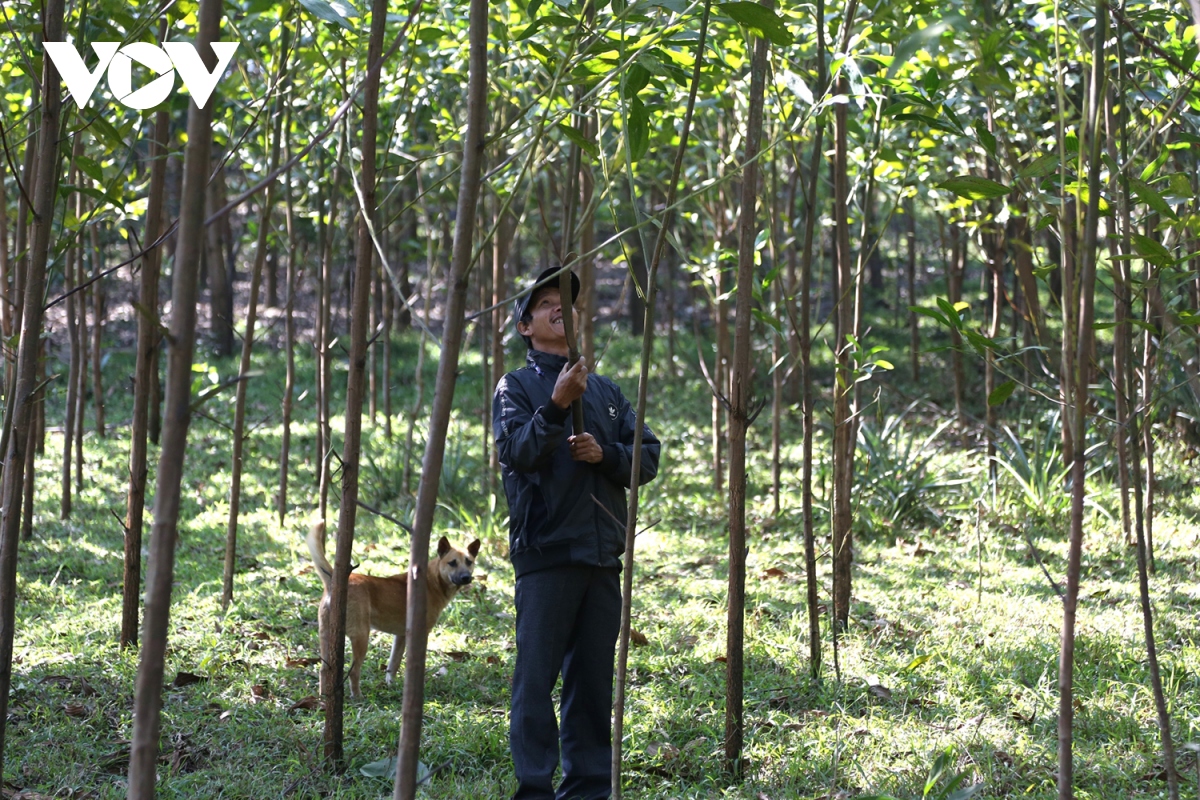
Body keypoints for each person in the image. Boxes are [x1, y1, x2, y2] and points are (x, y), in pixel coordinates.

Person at [493, 267, 662, 800]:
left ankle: (588, 788)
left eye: (567, 301)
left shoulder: (607, 391)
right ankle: (535, 790)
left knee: (591, 683)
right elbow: (516, 451)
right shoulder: (515, 386)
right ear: (526, 326)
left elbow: (648, 455)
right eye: (546, 303)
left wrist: (606, 454)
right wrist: (558, 404)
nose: (560, 308)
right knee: (535, 681)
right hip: (546, 553)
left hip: (601, 555)